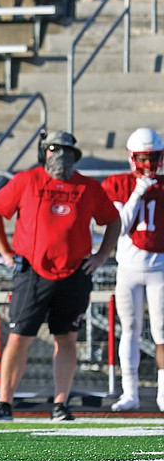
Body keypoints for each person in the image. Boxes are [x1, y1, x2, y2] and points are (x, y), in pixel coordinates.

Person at [0, 131, 120, 421]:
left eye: (66, 151)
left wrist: (101, 256)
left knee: (67, 337)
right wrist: (6, 252)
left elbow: (112, 220)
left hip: (74, 272)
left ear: (75, 156)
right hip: (33, 272)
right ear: (44, 152)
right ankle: (4, 403)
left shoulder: (87, 187)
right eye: (54, 150)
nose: (60, 156)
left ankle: (60, 403)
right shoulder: (26, 181)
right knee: (19, 336)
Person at [101, 128, 164, 412]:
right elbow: (119, 226)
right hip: (127, 268)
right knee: (129, 330)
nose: (149, 165)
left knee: (162, 333)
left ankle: (163, 394)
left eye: (153, 158)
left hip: (160, 267)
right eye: (143, 158)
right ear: (131, 157)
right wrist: (139, 192)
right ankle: (130, 393)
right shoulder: (118, 184)